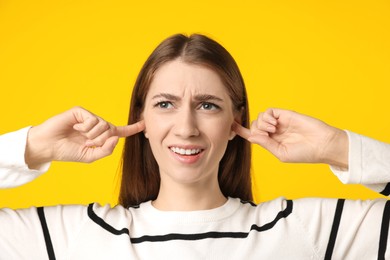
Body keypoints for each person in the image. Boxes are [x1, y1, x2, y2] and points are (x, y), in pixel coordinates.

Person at [0, 34, 389, 260]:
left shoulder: (308, 231)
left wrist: (337, 147)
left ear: (235, 121)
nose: (185, 127)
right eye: (165, 104)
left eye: (207, 105)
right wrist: (31, 147)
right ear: (143, 121)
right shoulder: (72, 238)